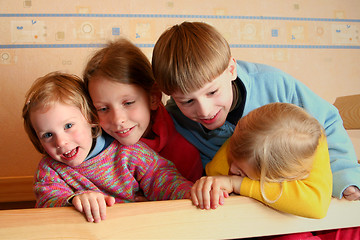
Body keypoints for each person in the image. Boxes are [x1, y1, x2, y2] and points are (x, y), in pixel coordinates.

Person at [151, 21, 360, 201]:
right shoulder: (174, 118)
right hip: (240, 205)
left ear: (231, 70)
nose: (204, 110)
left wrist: (344, 173)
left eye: (212, 92)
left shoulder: (275, 85)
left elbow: (327, 122)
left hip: (295, 191)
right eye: (187, 101)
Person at [22, 72, 193, 223]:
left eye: (68, 126)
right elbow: (47, 200)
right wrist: (74, 200)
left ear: (90, 118)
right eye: (48, 135)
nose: (60, 142)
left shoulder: (127, 152)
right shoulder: (50, 169)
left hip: (133, 228)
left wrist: (187, 193)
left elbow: (160, 177)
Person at [83, 38, 202, 183]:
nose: (117, 120)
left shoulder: (185, 152)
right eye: (103, 108)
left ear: (153, 97)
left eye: (128, 103)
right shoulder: (91, 150)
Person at [191, 103, 332, 219]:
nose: (232, 169)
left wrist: (236, 183)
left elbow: (316, 206)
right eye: (232, 156)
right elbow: (214, 176)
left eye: (241, 172)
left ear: (275, 177)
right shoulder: (247, 140)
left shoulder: (311, 147)